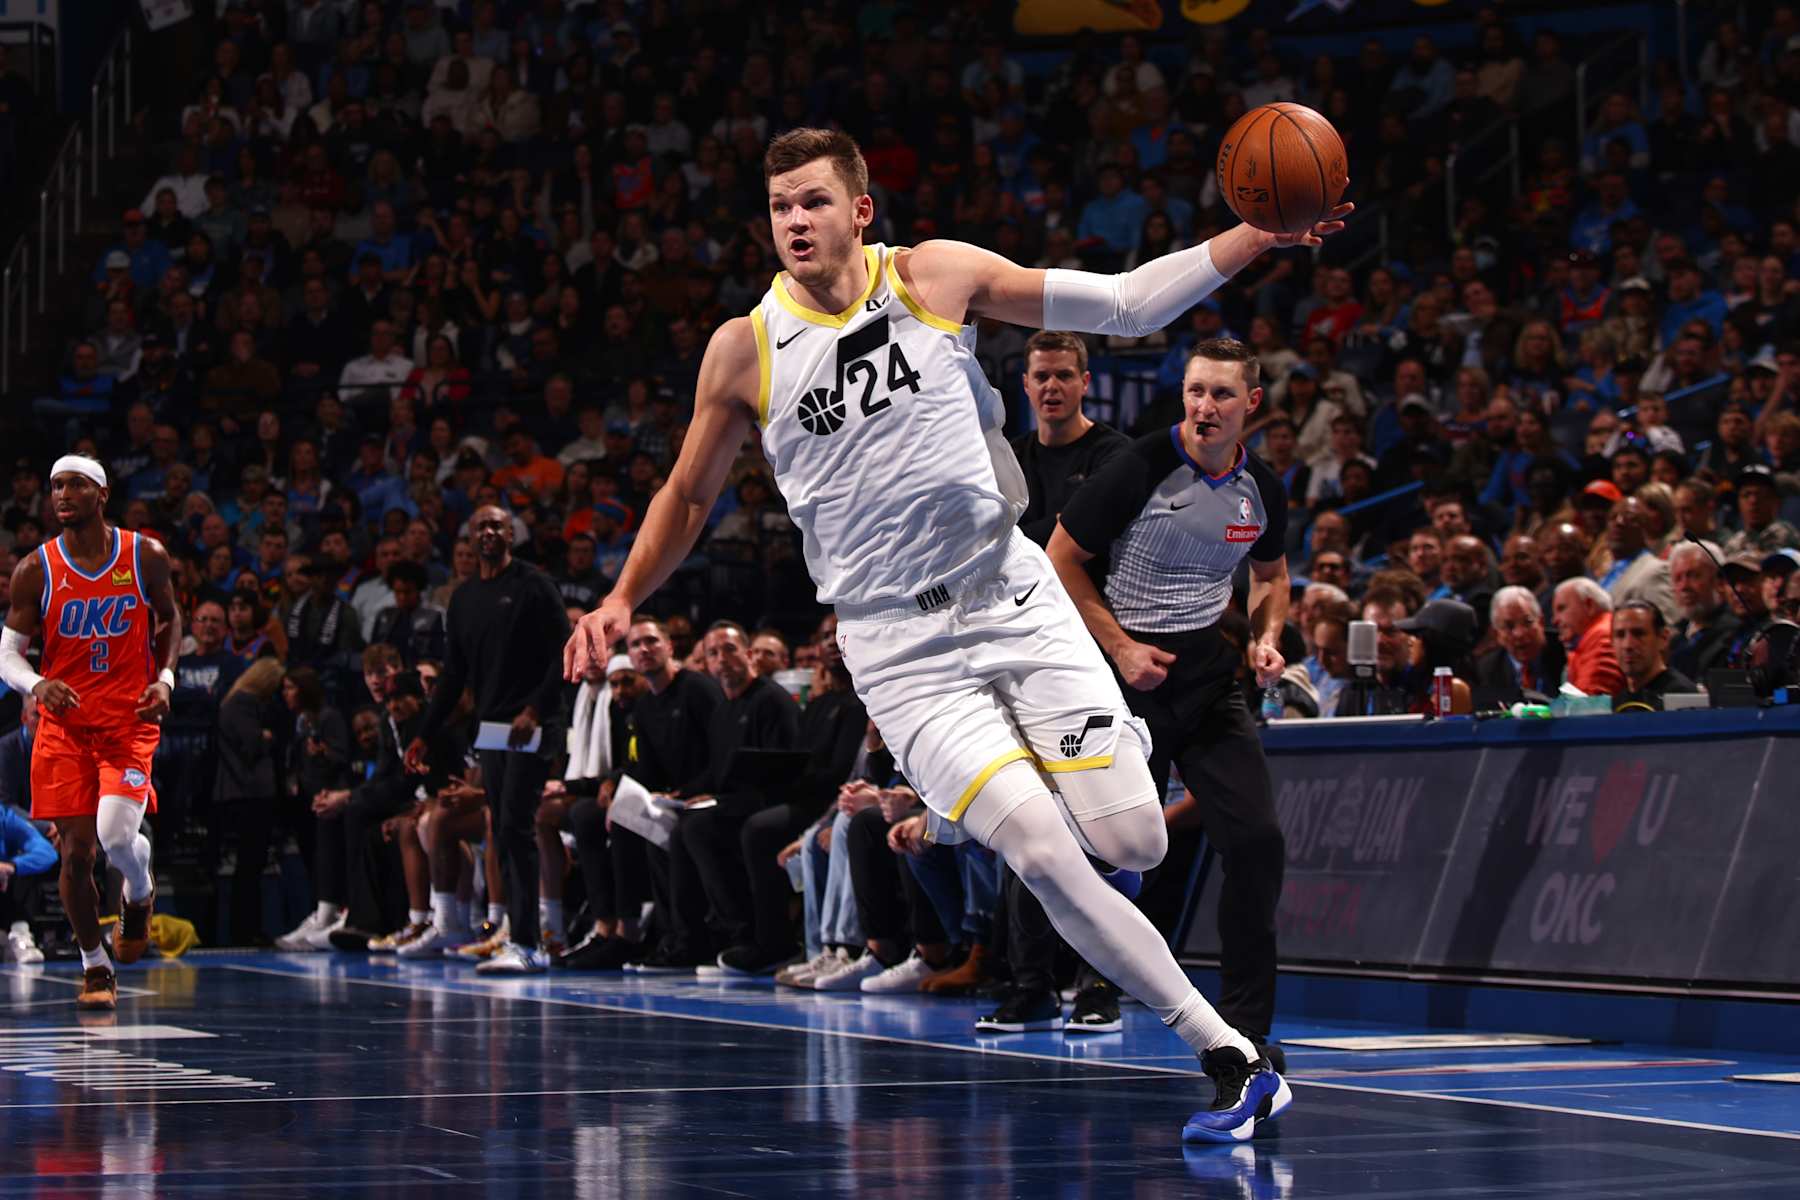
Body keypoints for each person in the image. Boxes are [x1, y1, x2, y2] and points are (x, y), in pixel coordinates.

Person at [564, 127, 1347, 1140]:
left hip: (1012, 598)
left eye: (811, 201)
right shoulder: (744, 349)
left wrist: (1253, 236)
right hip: (899, 650)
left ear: (859, 210)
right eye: (777, 208)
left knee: (1132, 841)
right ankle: (1231, 1060)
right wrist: (624, 597)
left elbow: (1122, 305)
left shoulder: (935, 277)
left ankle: (1035, 783)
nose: (793, 221)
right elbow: (684, 494)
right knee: (1045, 857)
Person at [1047, 337, 1289, 1058]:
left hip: (1208, 675)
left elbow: (1272, 575)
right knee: (1120, 848)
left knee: (1256, 843)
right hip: (1123, 672)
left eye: (1220, 395)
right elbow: (1061, 560)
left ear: (1252, 404)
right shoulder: (1140, 466)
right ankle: (1092, 985)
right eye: (1194, 392)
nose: (1204, 407)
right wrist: (1121, 649)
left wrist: (1268, 636)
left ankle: (1246, 1031)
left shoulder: (1263, 487)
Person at [0, 455, 180, 1009]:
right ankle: (95, 965)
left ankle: (140, 893)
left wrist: (166, 679)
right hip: (64, 728)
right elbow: (8, 653)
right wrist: (36, 685)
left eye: (75, 484)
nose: (62, 494)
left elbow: (171, 619)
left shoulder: (142, 555)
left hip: (127, 721)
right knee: (76, 857)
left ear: (102, 493)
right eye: (56, 486)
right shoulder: (36, 568)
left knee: (118, 838)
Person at [999, 326, 1132, 1032]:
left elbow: (1065, 552)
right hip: (1020, 660)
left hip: (1091, 662)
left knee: (1098, 824)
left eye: (1063, 376)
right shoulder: (1011, 461)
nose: (1051, 387)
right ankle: (1028, 983)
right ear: (1025, 386)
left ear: (1085, 383)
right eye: (1039, 376)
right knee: (1028, 820)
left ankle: (1099, 984)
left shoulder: (1113, 456)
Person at [406, 505, 570, 973]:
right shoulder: (462, 599)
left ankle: (529, 942)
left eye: (498, 525)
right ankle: (515, 934)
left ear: (511, 534)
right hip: (493, 728)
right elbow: (454, 675)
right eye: (481, 526)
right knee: (502, 828)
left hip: (535, 724)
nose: (489, 532)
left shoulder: (534, 585)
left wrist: (535, 709)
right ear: (469, 537)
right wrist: (424, 734)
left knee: (516, 825)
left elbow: (564, 652)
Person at [212, 658, 285, 945]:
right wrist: (267, 736)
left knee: (251, 867)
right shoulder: (242, 703)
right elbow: (252, 743)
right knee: (249, 867)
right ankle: (245, 931)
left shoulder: (236, 701)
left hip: (246, 794)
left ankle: (247, 929)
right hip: (248, 795)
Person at [1475, 586, 1565, 704]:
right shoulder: (1486, 670)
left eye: (1528, 622)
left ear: (1541, 622)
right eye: (1509, 626)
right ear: (1497, 634)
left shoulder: (1565, 652)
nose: (1519, 633)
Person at [1667, 540, 1740, 680]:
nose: (1684, 586)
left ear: (1718, 581)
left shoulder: (1734, 633)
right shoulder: (1674, 637)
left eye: (1693, 575)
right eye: (1678, 578)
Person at [1611, 600, 1699, 711]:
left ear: (1663, 638)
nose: (1627, 645)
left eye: (1639, 634)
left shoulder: (1685, 699)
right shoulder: (1616, 702)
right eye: (1620, 635)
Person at [1552, 577, 1624, 696]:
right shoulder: (1588, 639)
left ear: (1589, 605)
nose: (1555, 621)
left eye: (1561, 608)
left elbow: (1588, 703)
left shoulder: (1602, 636)